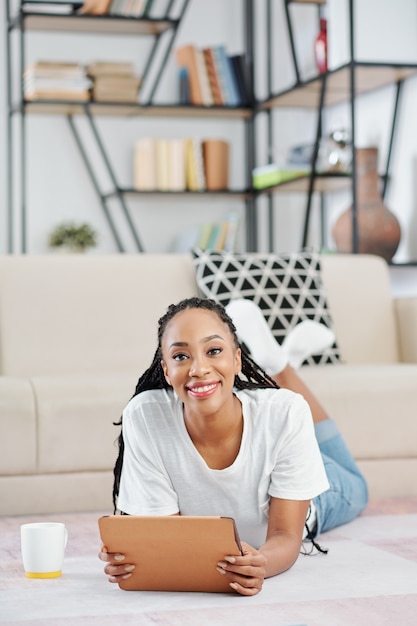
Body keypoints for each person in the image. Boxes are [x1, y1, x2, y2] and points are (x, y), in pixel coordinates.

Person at [99, 297, 368, 596]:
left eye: (213, 351)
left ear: (237, 360)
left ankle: (281, 366)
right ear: (165, 369)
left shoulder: (285, 412)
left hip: (305, 497)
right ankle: (280, 362)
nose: (198, 369)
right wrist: (140, 557)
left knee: (357, 485)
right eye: (180, 356)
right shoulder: (145, 415)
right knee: (287, 411)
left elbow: (285, 535)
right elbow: (175, 541)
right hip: (276, 446)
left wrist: (262, 563)